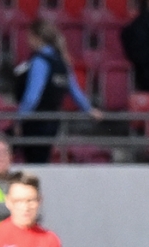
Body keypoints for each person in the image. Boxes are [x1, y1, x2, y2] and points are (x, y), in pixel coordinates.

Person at [13, 19, 99, 164]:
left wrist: (19, 119)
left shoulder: (40, 61)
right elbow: (75, 91)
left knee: (33, 160)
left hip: (35, 121)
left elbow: (32, 97)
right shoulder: (63, 61)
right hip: (53, 120)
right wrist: (89, 110)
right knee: (43, 158)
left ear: (36, 37)